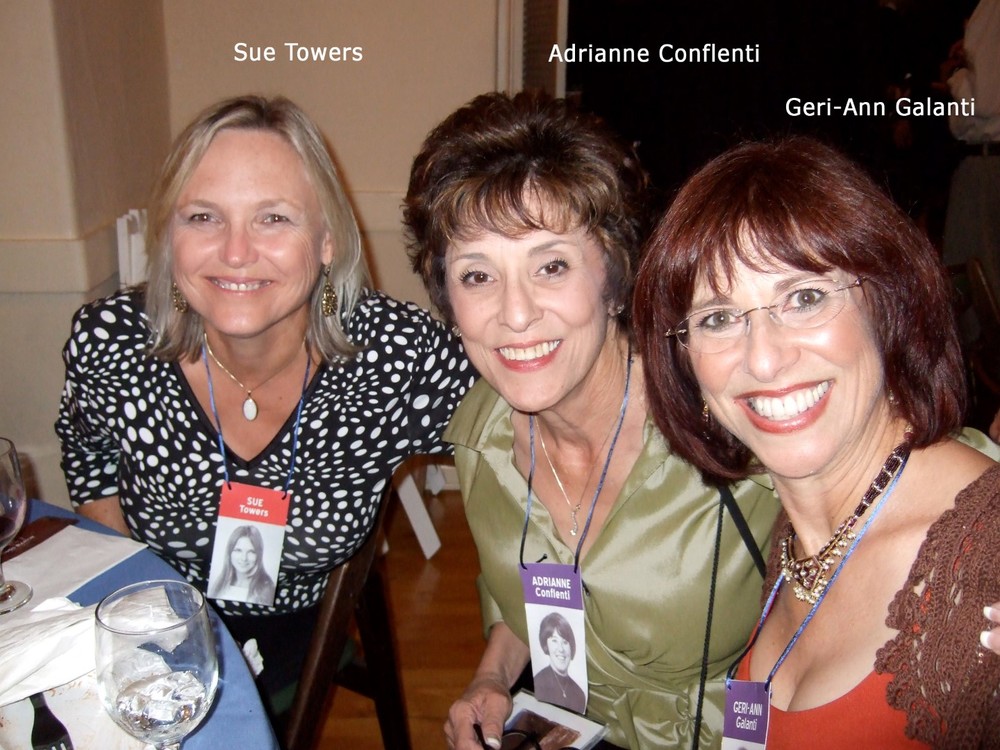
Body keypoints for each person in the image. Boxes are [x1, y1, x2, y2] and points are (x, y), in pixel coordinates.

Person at [55, 95, 474, 721]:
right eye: (203, 216)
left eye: (273, 218)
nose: (235, 252)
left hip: (296, 631)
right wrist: (132, 612)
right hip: (154, 626)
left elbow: (524, 439)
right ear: (170, 236)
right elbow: (89, 459)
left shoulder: (395, 356)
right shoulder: (111, 342)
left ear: (327, 241)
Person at [404, 90, 781, 750]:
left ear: (613, 276)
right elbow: (525, 596)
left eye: (551, 266)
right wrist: (491, 678)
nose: (515, 314)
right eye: (477, 276)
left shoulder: (722, 414)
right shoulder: (481, 435)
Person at [633, 136, 1000, 747]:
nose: (765, 358)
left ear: (888, 306)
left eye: (804, 298)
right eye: (718, 318)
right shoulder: (800, 531)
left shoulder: (985, 560)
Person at [533, 611, 586, 714]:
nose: (561, 649)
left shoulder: (580, 694)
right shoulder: (538, 683)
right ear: (546, 645)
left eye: (565, 642)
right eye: (554, 641)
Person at [208, 524, 276, 605]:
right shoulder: (220, 583)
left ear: (259, 555)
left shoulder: (267, 589)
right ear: (229, 552)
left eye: (251, 552)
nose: (244, 558)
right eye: (238, 550)